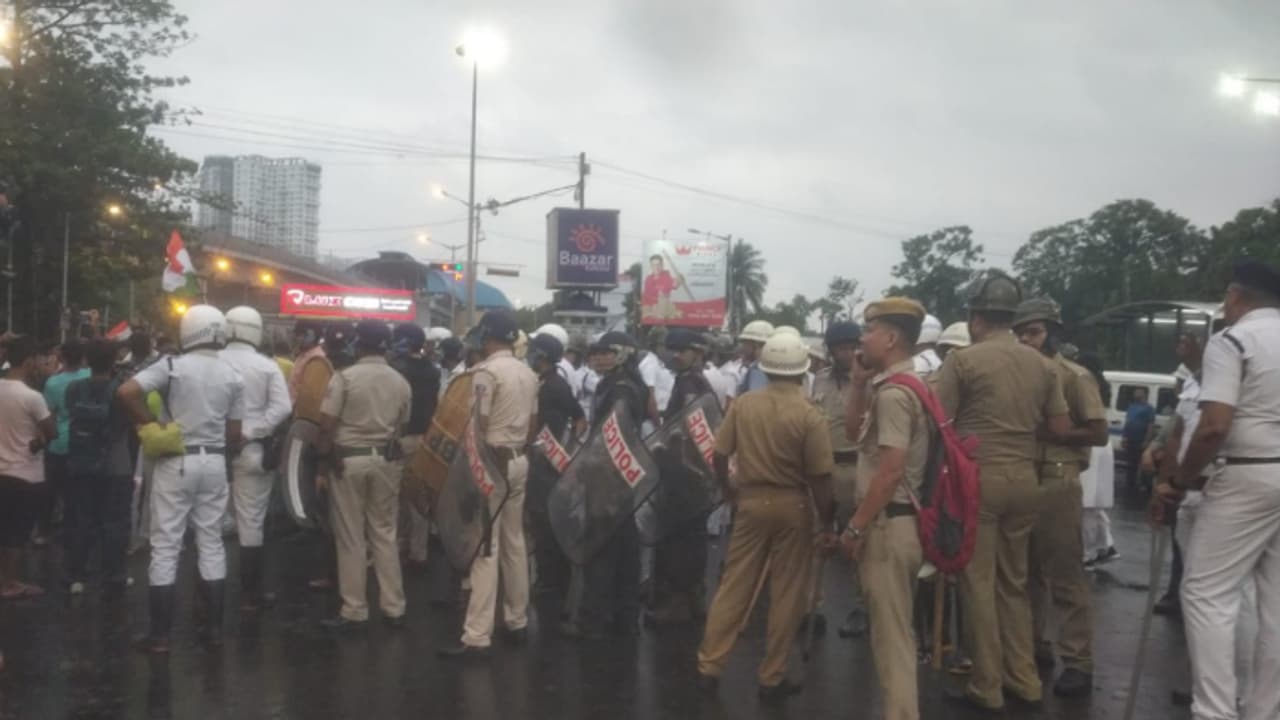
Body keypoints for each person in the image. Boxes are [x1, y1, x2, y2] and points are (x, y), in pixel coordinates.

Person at [934, 271, 1072, 713]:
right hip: (1026, 479)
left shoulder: (963, 362)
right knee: (1014, 584)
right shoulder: (1044, 365)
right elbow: (1060, 427)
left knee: (978, 582)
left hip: (979, 480)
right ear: (1012, 318)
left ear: (976, 317)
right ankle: (1025, 680)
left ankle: (986, 684)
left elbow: (940, 422)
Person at [1154, 259, 1280, 720]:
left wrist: (1180, 481)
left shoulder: (1233, 341)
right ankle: (1264, 710)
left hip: (1247, 473)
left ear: (1234, 296)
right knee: (1274, 605)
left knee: (1206, 593)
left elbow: (1213, 428)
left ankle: (1214, 711)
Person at [696, 331, 835, 702]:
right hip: (794, 506)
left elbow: (719, 455)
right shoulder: (810, 414)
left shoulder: (743, 405)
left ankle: (710, 666)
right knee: (787, 594)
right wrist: (829, 521)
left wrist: (728, 491)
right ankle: (771, 676)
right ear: (801, 370)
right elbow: (820, 477)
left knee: (733, 587)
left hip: (750, 502)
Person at [119, 305, 244, 653]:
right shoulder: (233, 374)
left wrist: (153, 425)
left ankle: (160, 636)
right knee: (211, 542)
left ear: (189, 331)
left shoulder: (171, 366)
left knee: (166, 545)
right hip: (215, 462)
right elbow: (235, 433)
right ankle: (214, 631)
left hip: (177, 460)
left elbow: (127, 392)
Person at [1012, 297, 1109, 698]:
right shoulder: (1017, 375)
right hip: (1022, 477)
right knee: (1025, 572)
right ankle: (1034, 646)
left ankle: (1079, 660)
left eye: (1034, 331)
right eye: (1021, 333)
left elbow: (1099, 432)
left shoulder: (1074, 376)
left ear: (1053, 332)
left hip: (1057, 476)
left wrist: (1054, 434)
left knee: (1065, 574)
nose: (1027, 340)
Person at [838, 298, 930, 720]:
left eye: (870, 329)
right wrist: (858, 383)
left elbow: (890, 470)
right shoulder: (895, 386)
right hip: (893, 523)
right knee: (891, 635)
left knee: (893, 640)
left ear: (891, 338)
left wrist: (855, 528)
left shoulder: (895, 394)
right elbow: (855, 433)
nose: (862, 337)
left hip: (888, 525)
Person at [439, 312, 538, 656]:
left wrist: (475, 468)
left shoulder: (486, 372)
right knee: (514, 542)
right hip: (519, 460)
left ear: (488, 337)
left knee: (486, 549)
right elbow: (533, 425)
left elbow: (478, 425)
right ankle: (517, 621)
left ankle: (477, 636)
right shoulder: (528, 372)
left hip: (492, 462)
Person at [315, 320, 411, 630]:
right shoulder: (400, 382)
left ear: (359, 344)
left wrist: (322, 464)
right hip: (385, 461)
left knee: (351, 536)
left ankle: (355, 609)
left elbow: (327, 424)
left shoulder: (345, 378)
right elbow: (401, 426)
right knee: (384, 533)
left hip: (348, 462)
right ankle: (394, 606)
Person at [576, 331, 650, 640]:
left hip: (611, 473)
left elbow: (613, 434)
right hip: (618, 473)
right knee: (622, 543)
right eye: (595, 352)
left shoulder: (621, 389)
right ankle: (623, 616)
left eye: (606, 352)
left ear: (622, 354)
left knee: (604, 546)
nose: (597, 357)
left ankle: (598, 617)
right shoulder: (621, 383)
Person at [220, 307, 292, 612]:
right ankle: (251, 595)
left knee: (208, 524)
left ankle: (206, 596)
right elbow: (283, 408)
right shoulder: (267, 366)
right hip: (252, 453)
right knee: (251, 524)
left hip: (211, 454)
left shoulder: (213, 362)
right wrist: (250, 432)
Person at [647, 328, 714, 626]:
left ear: (698, 352)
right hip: (695, 473)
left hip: (685, 474)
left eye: (683, 350)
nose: (676, 355)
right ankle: (693, 596)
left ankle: (679, 601)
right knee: (693, 536)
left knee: (679, 538)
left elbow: (686, 431)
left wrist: (669, 452)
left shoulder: (689, 384)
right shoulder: (694, 380)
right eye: (672, 349)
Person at [63, 339, 134, 595]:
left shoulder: (73, 388)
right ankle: (114, 573)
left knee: (81, 519)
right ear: (115, 359)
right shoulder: (123, 390)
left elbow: (71, 413)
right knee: (114, 521)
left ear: (86, 360)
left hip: (81, 462)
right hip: (116, 465)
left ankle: (76, 575)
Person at [811, 320, 868, 639]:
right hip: (823, 466)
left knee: (856, 542)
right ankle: (812, 606)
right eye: (839, 348)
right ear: (830, 350)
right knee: (817, 538)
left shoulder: (870, 381)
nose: (846, 353)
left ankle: (862, 606)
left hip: (856, 466)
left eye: (850, 347)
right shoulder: (818, 380)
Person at [525, 333, 585, 624]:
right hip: (549, 460)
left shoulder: (554, 387)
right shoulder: (549, 383)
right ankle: (550, 580)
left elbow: (578, 417)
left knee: (545, 522)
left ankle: (553, 583)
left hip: (547, 465)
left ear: (543, 356)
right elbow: (579, 417)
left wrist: (560, 449)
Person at [1148, 333, 1203, 616]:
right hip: (1186, 487)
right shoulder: (1193, 382)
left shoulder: (1223, 378)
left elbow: (1207, 432)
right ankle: (1177, 594)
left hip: (1210, 486)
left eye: (1185, 341)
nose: (1179, 346)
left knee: (1209, 584)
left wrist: (1176, 482)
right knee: (1185, 554)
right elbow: (1175, 433)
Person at [0, 337, 56, 599]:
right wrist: (41, 439)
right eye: (36, 359)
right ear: (27, 360)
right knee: (17, 532)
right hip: (25, 473)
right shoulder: (32, 397)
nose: (39, 364)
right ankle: (9, 583)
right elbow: (51, 432)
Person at [388, 323, 440, 569]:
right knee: (418, 498)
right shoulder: (433, 370)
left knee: (394, 497)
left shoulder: (397, 369)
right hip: (426, 439)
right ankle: (419, 552)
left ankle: (396, 547)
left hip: (400, 437)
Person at [37, 340, 89, 545]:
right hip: (84, 441)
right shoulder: (89, 376)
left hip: (58, 442)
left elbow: (49, 414)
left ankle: (43, 531)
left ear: (62, 358)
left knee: (50, 490)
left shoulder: (53, 383)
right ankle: (74, 531)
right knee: (76, 492)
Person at [1076, 353, 1118, 573]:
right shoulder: (1101, 386)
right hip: (1101, 444)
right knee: (1093, 503)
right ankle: (1104, 545)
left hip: (1091, 443)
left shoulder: (1083, 384)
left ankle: (1087, 552)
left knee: (1087, 503)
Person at [1122, 386, 1156, 492]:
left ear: (1144, 394)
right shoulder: (1131, 406)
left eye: (1138, 392)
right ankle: (1130, 484)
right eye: (1135, 392)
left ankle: (1145, 485)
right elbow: (1127, 422)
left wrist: (1146, 440)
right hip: (1130, 439)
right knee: (1131, 463)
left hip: (1141, 440)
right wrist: (1124, 436)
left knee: (1142, 464)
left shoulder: (1149, 408)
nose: (1135, 394)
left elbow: (1150, 425)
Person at [734, 319, 774, 396]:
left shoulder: (759, 370)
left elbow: (754, 403)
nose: (743, 348)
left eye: (745, 343)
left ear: (756, 345)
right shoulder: (755, 367)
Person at [642, 254, 682, 321]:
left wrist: (679, 280)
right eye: (654, 265)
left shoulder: (667, 276)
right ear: (651, 266)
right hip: (652, 309)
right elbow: (647, 297)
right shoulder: (648, 279)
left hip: (664, 309)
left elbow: (675, 285)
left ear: (662, 265)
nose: (656, 267)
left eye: (658, 264)